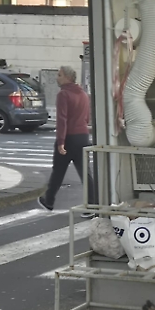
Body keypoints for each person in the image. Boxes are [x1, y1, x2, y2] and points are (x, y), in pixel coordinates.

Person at [38, 65, 95, 212]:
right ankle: (93, 203)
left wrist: (61, 142)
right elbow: (87, 117)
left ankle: (49, 201)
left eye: (59, 75)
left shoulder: (63, 94)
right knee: (85, 172)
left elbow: (62, 120)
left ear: (67, 77)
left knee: (58, 171)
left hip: (69, 137)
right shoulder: (83, 94)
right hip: (83, 137)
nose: (57, 78)